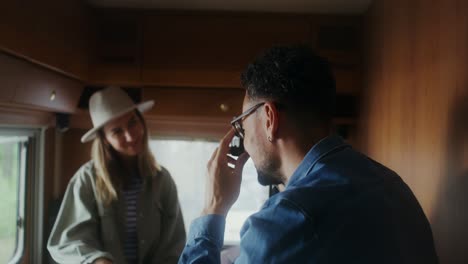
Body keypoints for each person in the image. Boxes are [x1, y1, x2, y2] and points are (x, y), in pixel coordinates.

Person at [178, 46, 439, 263]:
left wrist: (213, 209)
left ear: (269, 118)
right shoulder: (393, 186)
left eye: (242, 125)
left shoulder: (284, 221)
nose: (244, 142)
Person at [48, 87, 186, 264]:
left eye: (132, 123)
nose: (130, 136)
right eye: (117, 131)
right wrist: (97, 260)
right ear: (105, 139)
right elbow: (66, 243)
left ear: (141, 121)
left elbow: (174, 243)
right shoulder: (87, 179)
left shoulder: (162, 179)